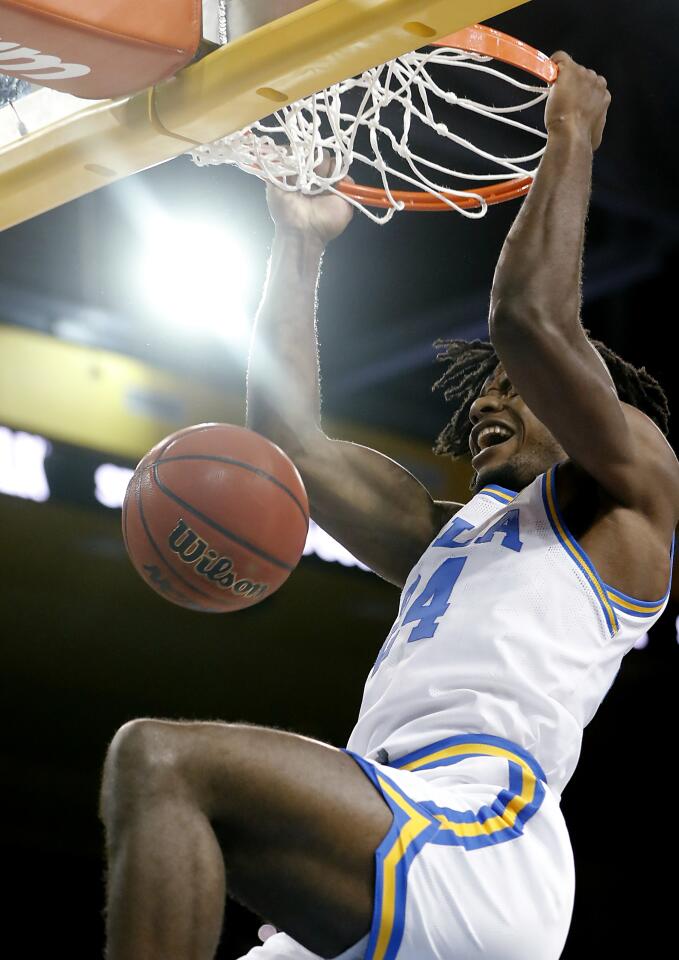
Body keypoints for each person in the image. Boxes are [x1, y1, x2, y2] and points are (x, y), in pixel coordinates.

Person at [99, 54, 678, 960]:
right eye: (485, 390)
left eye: (513, 392)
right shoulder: (442, 538)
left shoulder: (634, 493)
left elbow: (529, 320)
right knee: (172, 799)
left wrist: (570, 133)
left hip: (478, 835)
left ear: (586, 399)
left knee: (163, 763)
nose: (487, 401)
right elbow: (289, 449)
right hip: (390, 819)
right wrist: (300, 243)